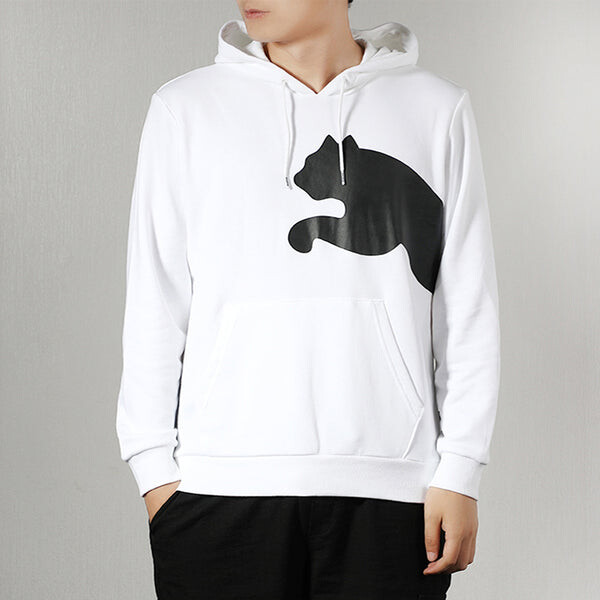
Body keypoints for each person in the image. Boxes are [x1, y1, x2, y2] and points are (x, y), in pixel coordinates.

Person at [116, 1, 501, 598]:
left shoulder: (434, 108)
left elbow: (467, 307)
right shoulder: (185, 108)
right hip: (217, 487)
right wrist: (153, 472)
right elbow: (155, 301)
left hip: (393, 486)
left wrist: (461, 469)